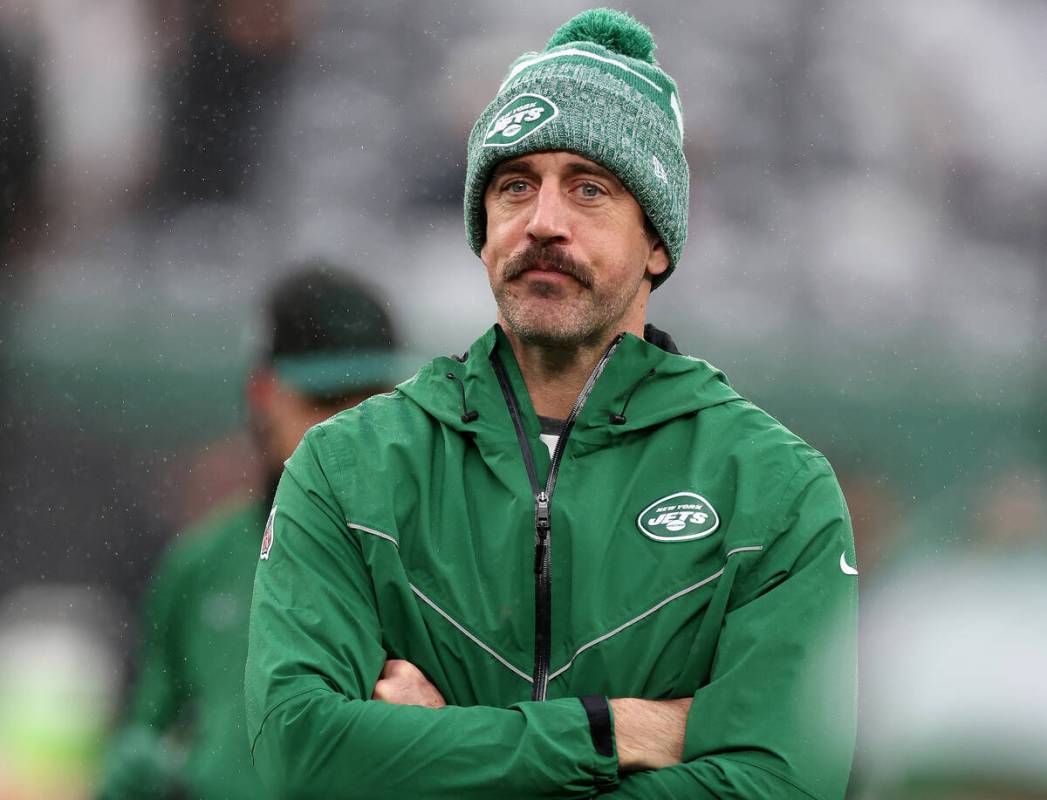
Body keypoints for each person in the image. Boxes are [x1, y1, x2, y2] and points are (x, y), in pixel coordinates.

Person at [245, 9, 858, 799]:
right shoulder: (343, 469)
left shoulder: (773, 491)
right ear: (482, 225)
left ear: (658, 243)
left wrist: (436, 754)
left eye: (590, 188)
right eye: (514, 186)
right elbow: (300, 755)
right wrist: (617, 731)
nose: (542, 221)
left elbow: (781, 784)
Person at [97, 264, 404, 800]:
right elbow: (150, 727)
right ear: (264, 393)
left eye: (374, 399)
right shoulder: (200, 564)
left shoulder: (451, 557)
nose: (355, 426)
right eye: (325, 402)